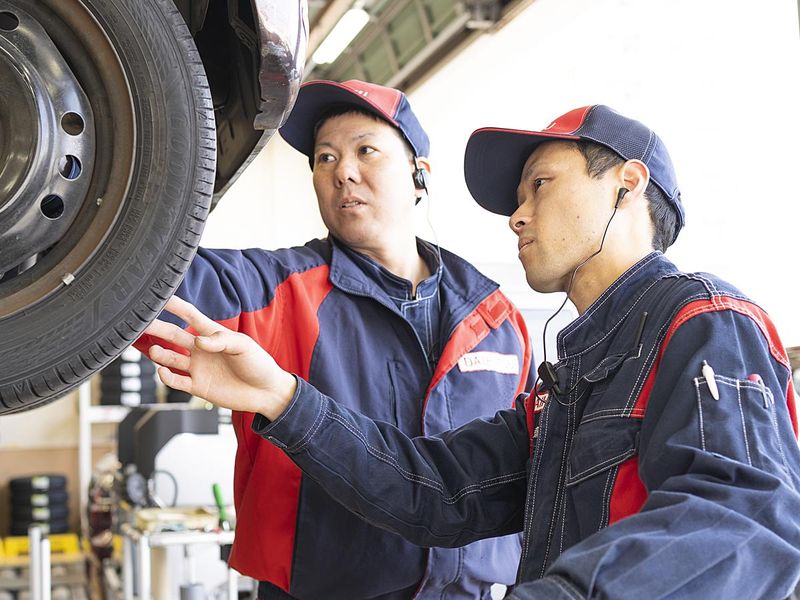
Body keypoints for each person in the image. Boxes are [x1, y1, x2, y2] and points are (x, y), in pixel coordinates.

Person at [143, 105, 800, 598]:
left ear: (626, 184)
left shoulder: (705, 322)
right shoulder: (564, 389)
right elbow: (433, 489)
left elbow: (741, 522)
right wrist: (282, 397)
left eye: (539, 185)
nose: (517, 215)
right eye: (518, 199)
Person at [137, 79, 534, 599]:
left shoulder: (497, 318)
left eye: (365, 150)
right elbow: (139, 281)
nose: (342, 171)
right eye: (325, 158)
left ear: (418, 176)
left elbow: (532, 474)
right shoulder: (274, 291)